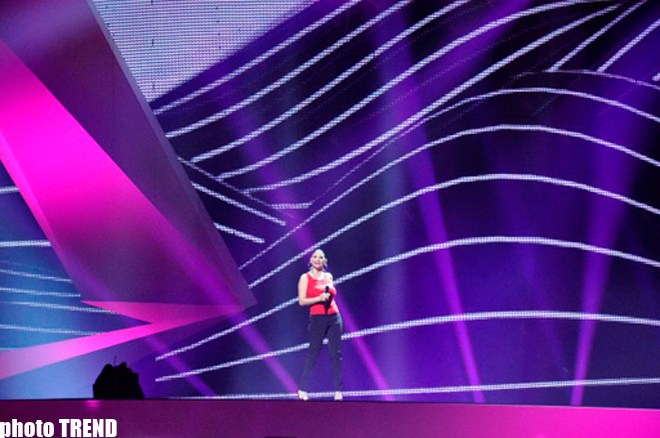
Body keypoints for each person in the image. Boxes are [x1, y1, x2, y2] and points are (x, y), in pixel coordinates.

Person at [297, 248, 343, 401]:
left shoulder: (328, 276)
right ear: (311, 260)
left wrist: (327, 297)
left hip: (334, 317)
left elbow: (331, 295)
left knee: (336, 354)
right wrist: (319, 298)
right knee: (313, 353)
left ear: (325, 261)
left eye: (321, 257)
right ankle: (302, 389)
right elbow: (302, 301)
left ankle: (338, 391)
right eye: (315, 257)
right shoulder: (305, 278)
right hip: (317, 318)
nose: (318, 259)